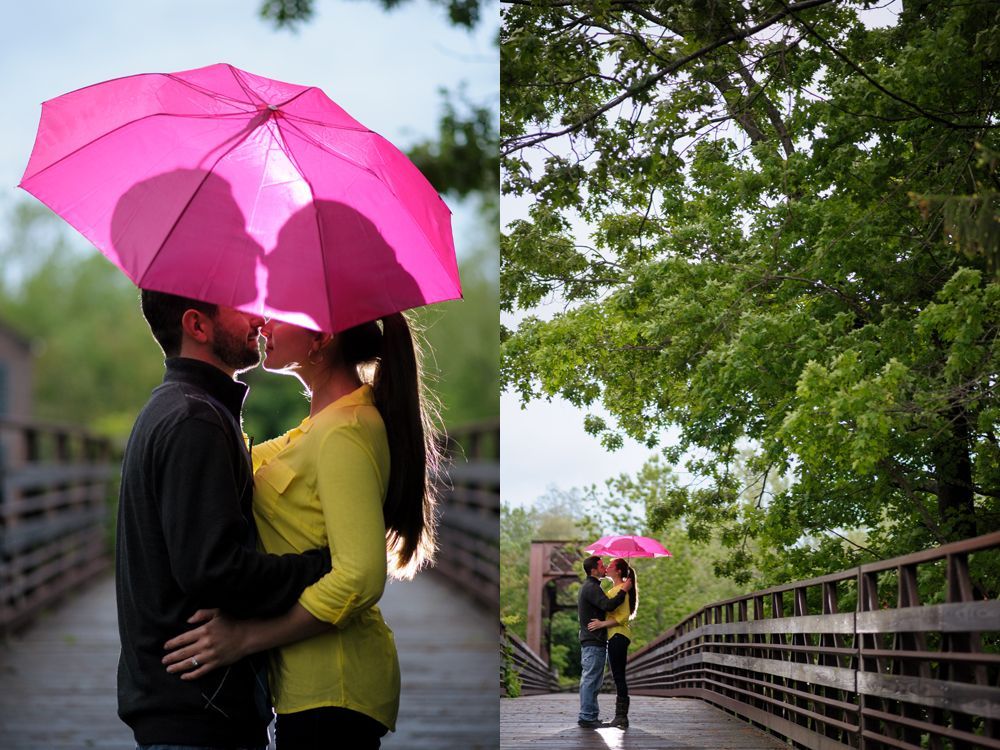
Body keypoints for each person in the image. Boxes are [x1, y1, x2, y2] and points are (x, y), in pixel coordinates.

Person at [161, 311, 440, 749]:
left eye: (279, 317)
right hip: (307, 687)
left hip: (334, 687)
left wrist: (245, 638)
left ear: (322, 337)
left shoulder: (344, 432)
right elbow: (238, 461)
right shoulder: (319, 428)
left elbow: (360, 577)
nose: (264, 328)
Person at [117, 290, 333, 749]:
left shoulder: (177, 407)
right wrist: (324, 565)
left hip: (186, 704)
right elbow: (213, 570)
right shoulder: (195, 419)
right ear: (198, 326)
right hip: (198, 709)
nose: (259, 317)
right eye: (240, 306)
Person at [577, 555, 631, 729]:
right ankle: (587, 717)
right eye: (601, 565)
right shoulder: (591, 587)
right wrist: (624, 590)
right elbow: (608, 606)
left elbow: (614, 609)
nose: (605, 567)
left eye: (607, 565)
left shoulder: (594, 587)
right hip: (594, 641)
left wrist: (623, 589)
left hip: (598, 640)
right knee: (591, 679)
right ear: (593, 570)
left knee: (593, 680)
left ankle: (590, 716)